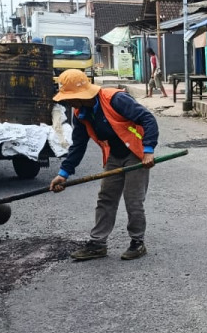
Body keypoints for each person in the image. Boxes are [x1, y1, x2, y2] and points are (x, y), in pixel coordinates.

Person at [50, 69, 160, 261]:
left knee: (133, 200)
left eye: (69, 98)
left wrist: (148, 150)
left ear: (81, 95)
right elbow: (78, 145)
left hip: (136, 153)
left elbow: (148, 119)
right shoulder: (81, 113)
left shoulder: (115, 99)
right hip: (114, 155)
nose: (67, 103)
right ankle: (98, 244)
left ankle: (137, 242)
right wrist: (63, 173)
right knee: (106, 198)